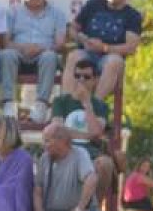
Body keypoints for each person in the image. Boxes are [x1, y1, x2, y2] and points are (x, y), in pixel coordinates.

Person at [63, 0, 142, 100]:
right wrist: (81, 39)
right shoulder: (93, 5)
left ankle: (96, 105)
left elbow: (131, 47)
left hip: (110, 56)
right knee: (73, 56)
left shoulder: (132, 15)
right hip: (87, 52)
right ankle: (67, 103)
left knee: (114, 62)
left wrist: (104, 48)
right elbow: (72, 29)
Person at [0, 0, 66, 122]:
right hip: (18, 54)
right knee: (7, 54)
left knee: (50, 57)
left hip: (43, 56)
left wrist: (40, 48)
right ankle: (9, 104)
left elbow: (60, 43)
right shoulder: (12, 12)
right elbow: (5, 42)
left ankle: (41, 105)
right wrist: (22, 48)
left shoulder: (57, 14)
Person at [50, 58, 119, 200]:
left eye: (86, 77)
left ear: (95, 80)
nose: (81, 80)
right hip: (66, 150)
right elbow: (58, 131)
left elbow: (97, 132)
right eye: (77, 76)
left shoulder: (100, 106)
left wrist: (87, 103)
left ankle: (94, 208)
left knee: (106, 164)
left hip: (91, 153)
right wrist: (87, 136)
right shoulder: (60, 102)